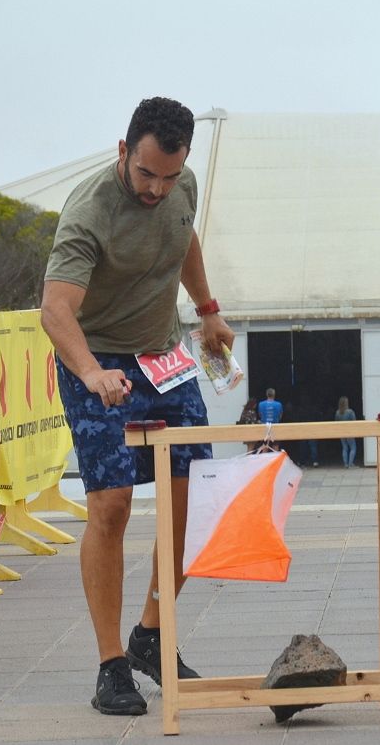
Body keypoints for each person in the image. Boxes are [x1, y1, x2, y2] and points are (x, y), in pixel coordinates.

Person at [41, 96, 235, 716]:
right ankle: (110, 665)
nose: (157, 189)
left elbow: (186, 242)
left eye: (169, 176)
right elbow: (55, 311)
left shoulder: (182, 187)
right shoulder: (89, 212)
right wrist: (94, 372)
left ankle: (152, 635)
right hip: (94, 360)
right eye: (147, 173)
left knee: (190, 496)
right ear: (123, 151)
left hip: (163, 357)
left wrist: (208, 313)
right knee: (112, 506)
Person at [334, 396, 357, 468]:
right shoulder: (350, 412)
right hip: (349, 432)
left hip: (341, 432)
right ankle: (350, 464)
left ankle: (345, 464)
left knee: (344, 448)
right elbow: (354, 422)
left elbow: (336, 422)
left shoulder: (337, 412)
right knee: (353, 447)